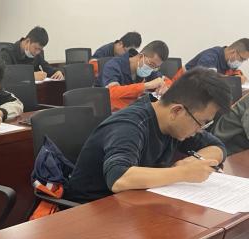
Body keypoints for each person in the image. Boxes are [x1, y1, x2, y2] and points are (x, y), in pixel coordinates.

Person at [64, 68, 231, 204]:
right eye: (201, 123)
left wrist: (194, 162)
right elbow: (119, 178)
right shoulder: (130, 125)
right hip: (91, 209)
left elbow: (218, 148)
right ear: (177, 111)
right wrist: (183, 172)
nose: (200, 130)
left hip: (133, 202)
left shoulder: (175, 123)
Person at [96, 40, 171, 111]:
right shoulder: (113, 65)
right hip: (107, 110)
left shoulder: (149, 68)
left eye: (156, 67)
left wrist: (164, 87)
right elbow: (112, 93)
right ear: (141, 56)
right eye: (151, 64)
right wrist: (146, 86)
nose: (152, 69)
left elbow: (166, 81)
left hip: (131, 109)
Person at [0, 26, 64, 81]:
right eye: (36, 48)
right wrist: (31, 76)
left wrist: (57, 72)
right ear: (27, 41)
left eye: (40, 49)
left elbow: (47, 67)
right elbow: (6, 75)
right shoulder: (7, 53)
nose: (37, 52)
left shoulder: (37, 54)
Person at [184, 38, 249, 83]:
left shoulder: (230, 62)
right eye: (242, 59)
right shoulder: (210, 58)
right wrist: (234, 80)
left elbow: (234, 73)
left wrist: (239, 77)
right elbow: (208, 81)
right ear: (233, 52)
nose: (241, 62)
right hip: (186, 91)